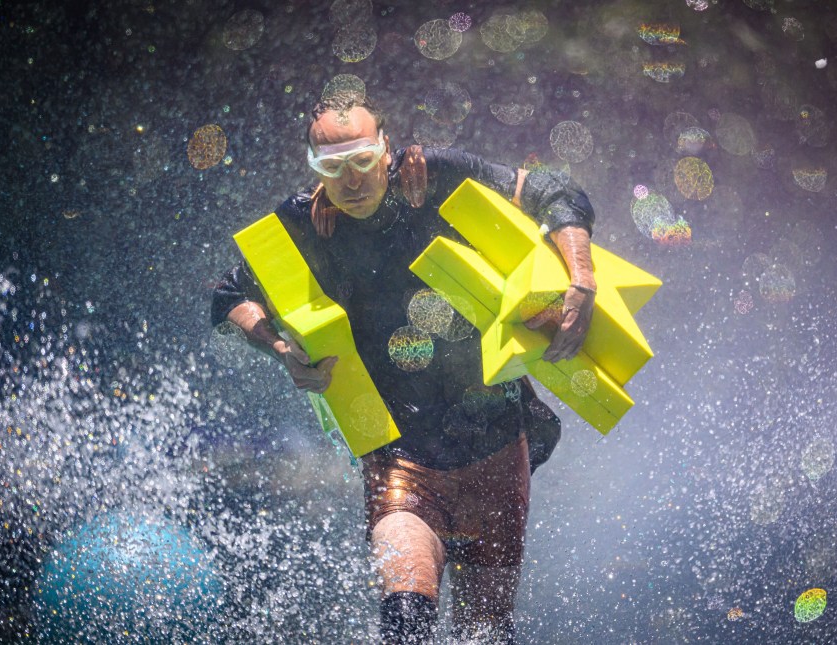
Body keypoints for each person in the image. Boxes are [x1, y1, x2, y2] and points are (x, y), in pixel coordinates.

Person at [211, 94, 598, 644]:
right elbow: (227, 297)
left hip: (494, 445)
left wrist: (579, 276)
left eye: (364, 161)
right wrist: (276, 346)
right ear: (313, 168)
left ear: (387, 149)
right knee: (405, 620)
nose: (351, 181)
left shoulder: (436, 177)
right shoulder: (302, 220)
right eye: (332, 168)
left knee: (487, 634)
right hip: (400, 454)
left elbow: (556, 191)